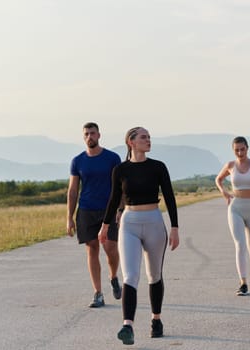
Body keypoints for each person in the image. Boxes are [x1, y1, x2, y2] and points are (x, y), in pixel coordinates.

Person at [98, 126, 179, 345]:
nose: (148, 140)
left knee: (154, 275)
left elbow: (170, 197)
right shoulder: (120, 170)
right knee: (130, 276)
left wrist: (175, 227)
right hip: (129, 223)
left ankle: (156, 320)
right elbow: (114, 199)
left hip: (154, 221)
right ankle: (128, 326)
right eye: (144, 137)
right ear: (131, 142)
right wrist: (105, 226)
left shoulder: (158, 167)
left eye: (149, 137)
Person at [67, 122, 123, 308]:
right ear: (83, 137)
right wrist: (69, 218)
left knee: (110, 249)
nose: (89, 136)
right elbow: (73, 191)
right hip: (86, 210)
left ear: (99, 135)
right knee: (92, 248)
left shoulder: (112, 158)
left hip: (108, 210)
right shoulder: (78, 161)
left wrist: (120, 210)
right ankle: (98, 293)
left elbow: (121, 186)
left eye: (92, 133)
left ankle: (113, 276)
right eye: (86, 134)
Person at [215, 136, 250, 296]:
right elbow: (218, 179)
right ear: (233, 150)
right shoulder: (230, 165)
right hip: (235, 207)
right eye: (236, 150)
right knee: (240, 245)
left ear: (247, 148)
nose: (240, 152)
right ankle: (243, 282)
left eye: (242, 149)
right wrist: (224, 192)